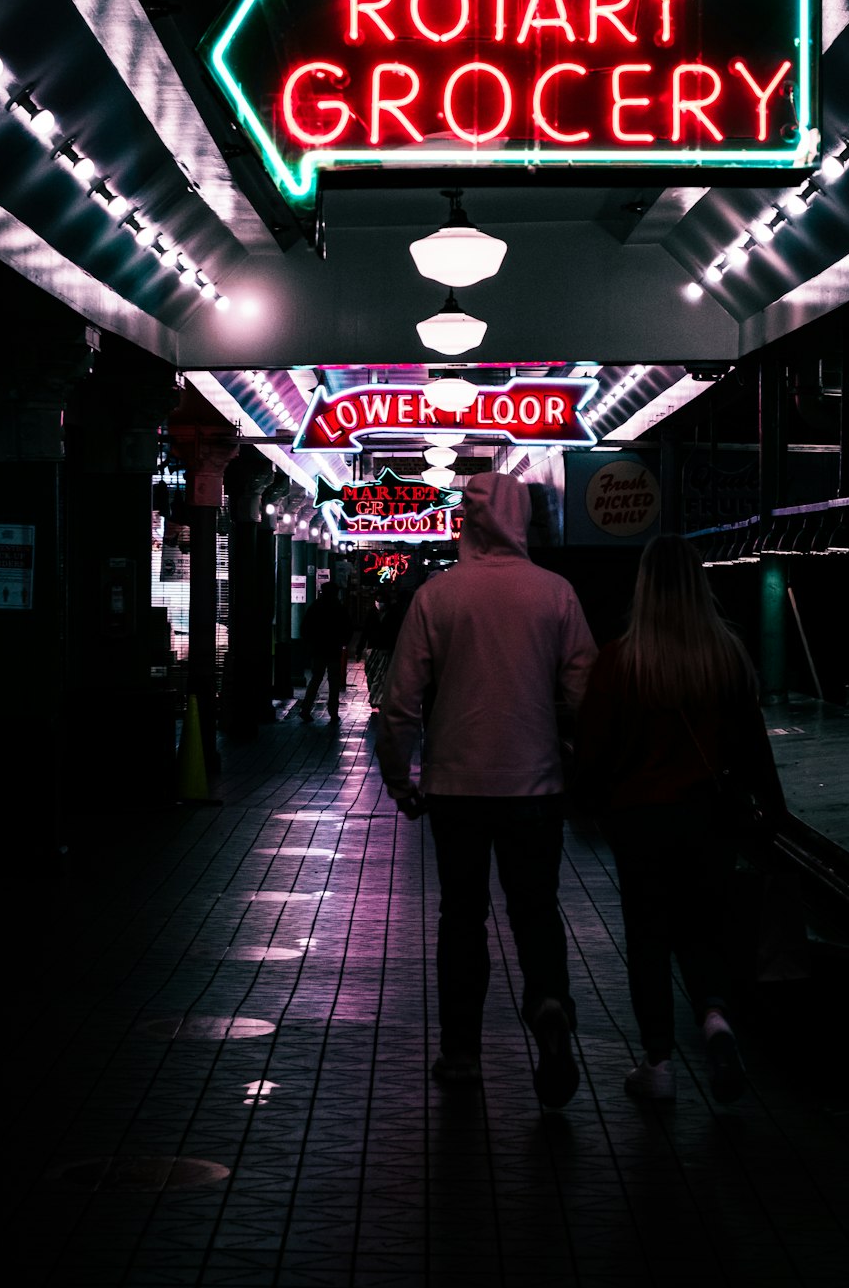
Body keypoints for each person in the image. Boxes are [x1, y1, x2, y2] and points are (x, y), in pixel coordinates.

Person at [375, 472, 597, 1106]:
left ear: (467, 522)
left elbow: (400, 704)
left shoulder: (438, 597)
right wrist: (581, 771)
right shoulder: (555, 594)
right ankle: (549, 1000)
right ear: (521, 519)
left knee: (462, 918)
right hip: (536, 788)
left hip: (455, 787)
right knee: (535, 909)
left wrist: (400, 779)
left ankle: (462, 1053)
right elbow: (586, 692)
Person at [574, 533, 787, 1105]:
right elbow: (752, 750)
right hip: (707, 819)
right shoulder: (727, 655)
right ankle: (715, 1020)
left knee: (648, 938)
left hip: (640, 821)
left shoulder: (622, 659)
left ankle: (659, 1062)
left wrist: (586, 802)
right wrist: (772, 815)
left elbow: (592, 750)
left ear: (643, 586)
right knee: (700, 929)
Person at [296, 582, 351, 723]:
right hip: (333, 649)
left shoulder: (315, 607)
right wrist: (343, 642)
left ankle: (306, 709)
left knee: (315, 679)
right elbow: (346, 628)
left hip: (318, 649)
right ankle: (333, 712)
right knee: (334, 682)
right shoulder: (339, 608)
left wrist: (311, 643)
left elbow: (304, 628)